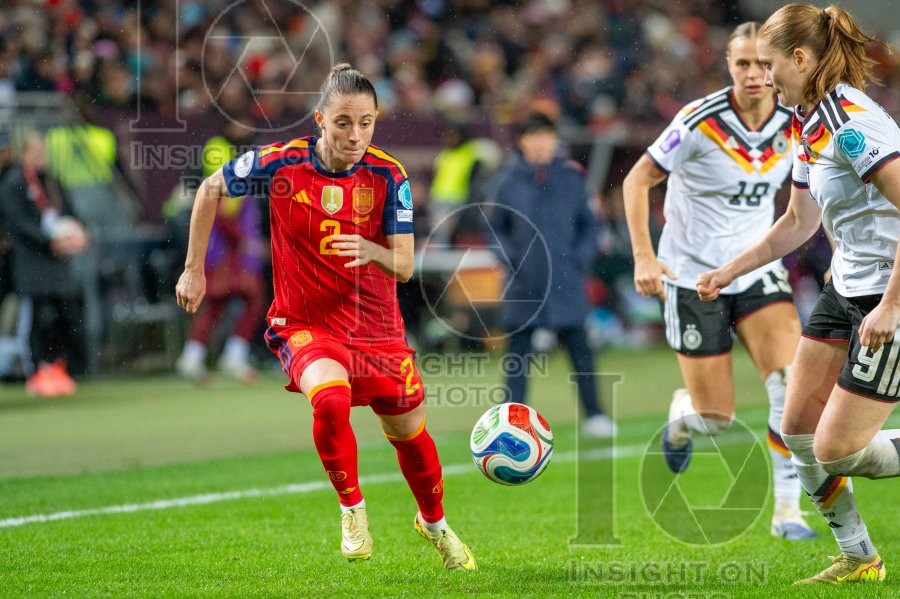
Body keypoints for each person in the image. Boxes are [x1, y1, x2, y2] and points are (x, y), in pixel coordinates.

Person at [175, 64, 476, 571]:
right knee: (331, 401)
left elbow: (404, 266)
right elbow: (209, 190)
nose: (354, 135)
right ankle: (352, 510)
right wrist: (193, 270)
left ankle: (434, 522)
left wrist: (369, 248)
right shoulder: (281, 162)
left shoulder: (389, 174)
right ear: (320, 119)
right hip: (305, 321)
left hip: (376, 328)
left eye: (365, 122)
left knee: (410, 436)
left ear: (376, 120)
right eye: (342, 122)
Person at [697, 3, 900, 584]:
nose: (760, 77)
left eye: (769, 64)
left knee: (839, 451)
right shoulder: (804, 120)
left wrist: (890, 304)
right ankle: (861, 559)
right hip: (847, 289)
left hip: (890, 296)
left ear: (802, 58)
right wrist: (729, 269)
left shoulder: (852, 123)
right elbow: (797, 220)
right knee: (798, 434)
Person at [622, 21, 817, 541]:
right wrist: (644, 256)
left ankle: (787, 514)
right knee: (716, 417)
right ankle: (683, 418)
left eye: (761, 63)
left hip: (756, 270)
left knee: (787, 386)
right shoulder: (698, 121)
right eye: (742, 64)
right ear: (729, 66)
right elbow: (637, 178)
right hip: (692, 275)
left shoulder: (797, 121)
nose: (754, 74)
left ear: (778, 65)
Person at [487, 111, 616, 438]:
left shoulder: (572, 179)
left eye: (547, 136)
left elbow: (592, 225)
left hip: (566, 280)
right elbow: (494, 228)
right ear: (522, 142)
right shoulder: (506, 182)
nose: (542, 143)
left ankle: (595, 415)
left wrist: (579, 259)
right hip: (524, 282)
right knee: (517, 356)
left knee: (580, 350)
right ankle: (511, 422)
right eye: (535, 136)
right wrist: (512, 259)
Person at [175, 120, 267, 383]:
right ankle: (232, 357)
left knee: (217, 304)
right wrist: (242, 242)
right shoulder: (231, 163)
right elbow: (223, 210)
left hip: (219, 250)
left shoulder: (243, 161)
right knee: (252, 299)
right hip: (228, 253)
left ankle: (192, 358)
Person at [0, 133, 89, 397]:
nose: (42, 156)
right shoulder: (13, 183)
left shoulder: (53, 181)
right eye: (36, 151)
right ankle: (35, 371)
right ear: (24, 153)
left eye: (44, 150)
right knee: (35, 318)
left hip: (57, 264)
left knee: (64, 316)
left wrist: (77, 233)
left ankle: (57, 367)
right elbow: (18, 223)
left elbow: (70, 213)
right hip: (31, 263)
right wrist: (49, 241)